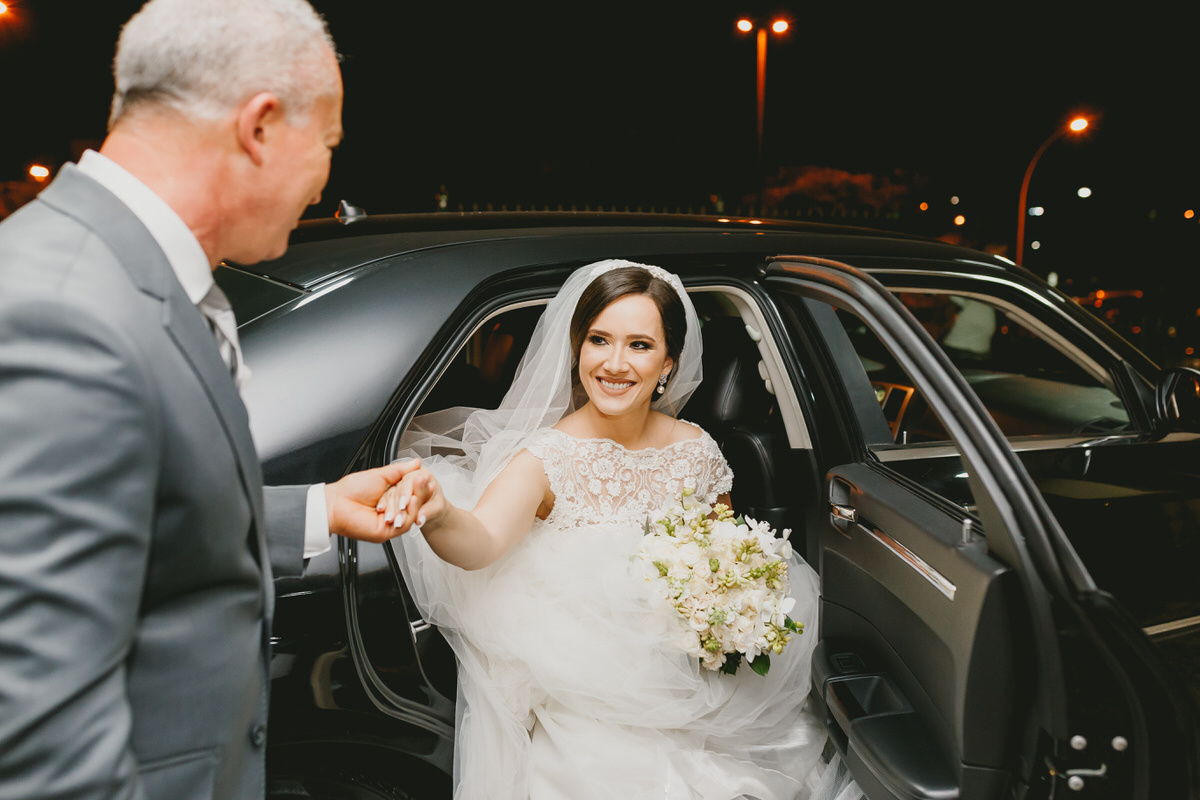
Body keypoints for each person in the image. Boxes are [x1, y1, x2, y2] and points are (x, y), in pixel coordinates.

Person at [0, 1, 418, 798]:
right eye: (328, 144)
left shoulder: (123, 273)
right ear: (259, 127)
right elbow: (38, 739)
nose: (327, 179)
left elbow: (146, 510)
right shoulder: (62, 314)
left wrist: (320, 508)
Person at [382, 261, 848, 799]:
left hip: (698, 694)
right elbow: (480, 542)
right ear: (577, 348)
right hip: (586, 709)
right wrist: (438, 513)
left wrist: (729, 612)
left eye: (639, 345)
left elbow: (727, 553)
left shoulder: (696, 450)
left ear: (668, 362)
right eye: (599, 340)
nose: (615, 363)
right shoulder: (546, 458)